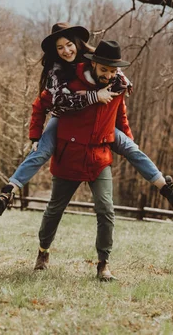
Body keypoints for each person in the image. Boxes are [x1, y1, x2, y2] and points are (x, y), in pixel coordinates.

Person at [0, 23, 173, 217]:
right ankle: (8, 192)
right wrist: (36, 135)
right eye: (60, 48)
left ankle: (167, 189)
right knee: (41, 151)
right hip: (65, 120)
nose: (66, 51)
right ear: (55, 51)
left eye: (69, 45)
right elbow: (59, 101)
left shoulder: (94, 59)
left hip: (97, 124)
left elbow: (115, 77)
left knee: (132, 149)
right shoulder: (56, 71)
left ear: (77, 43)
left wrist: (124, 83)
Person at [34, 40, 135, 280]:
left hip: (99, 158)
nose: (109, 74)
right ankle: (43, 251)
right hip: (69, 156)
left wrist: (129, 143)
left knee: (106, 210)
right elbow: (42, 104)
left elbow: (121, 116)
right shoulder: (69, 85)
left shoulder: (116, 85)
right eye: (104, 69)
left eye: (113, 70)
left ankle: (103, 264)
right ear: (94, 64)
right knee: (55, 209)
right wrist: (35, 135)